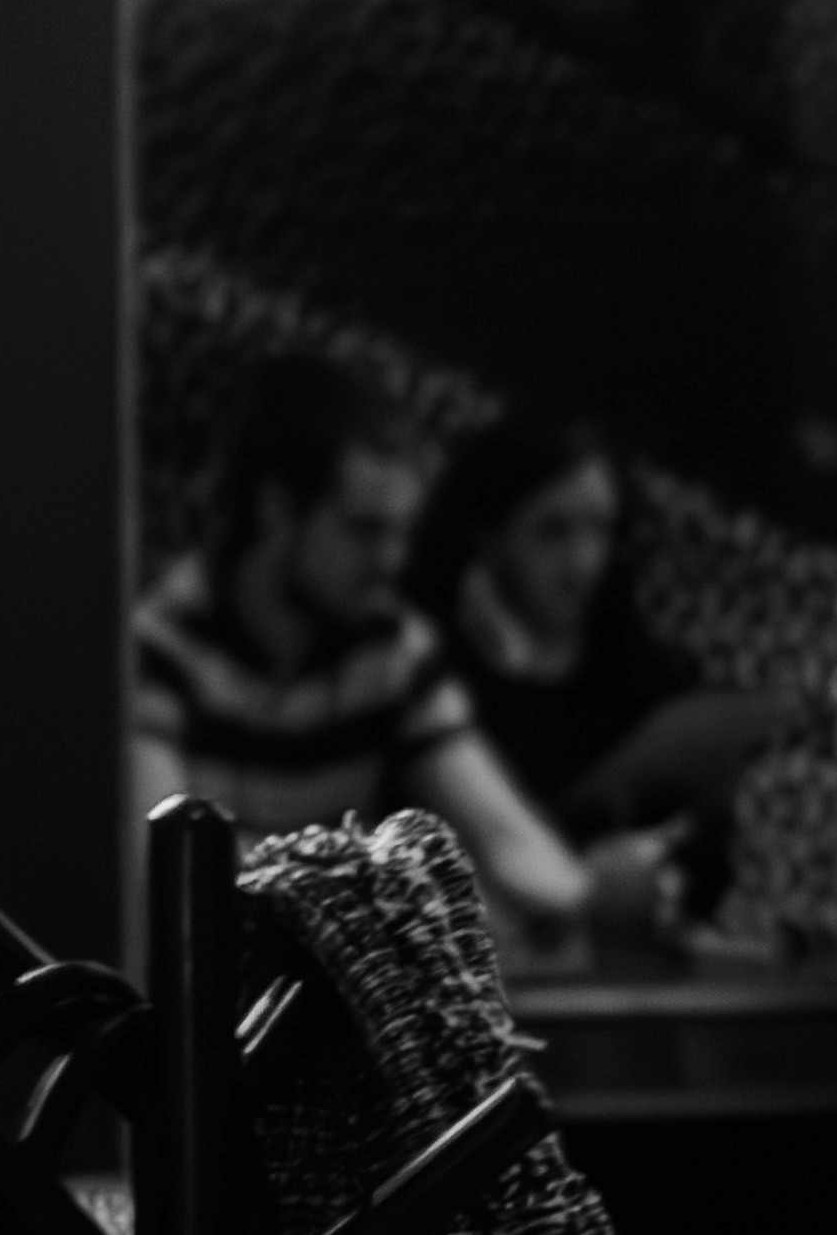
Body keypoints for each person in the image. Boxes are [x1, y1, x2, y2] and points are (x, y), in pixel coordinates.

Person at [132, 354, 659, 930]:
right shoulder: (159, 650)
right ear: (277, 507)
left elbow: (503, 834)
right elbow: (171, 876)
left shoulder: (392, 647)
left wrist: (591, 894)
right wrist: (382, 883)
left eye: (401, 533)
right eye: (364, 530)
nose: (391, 562)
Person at [410, 413, 795, 895]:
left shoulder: (630, 658)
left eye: (599, 530)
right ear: (488, 533)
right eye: (553, 531)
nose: (583, 560)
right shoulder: (428, 670)